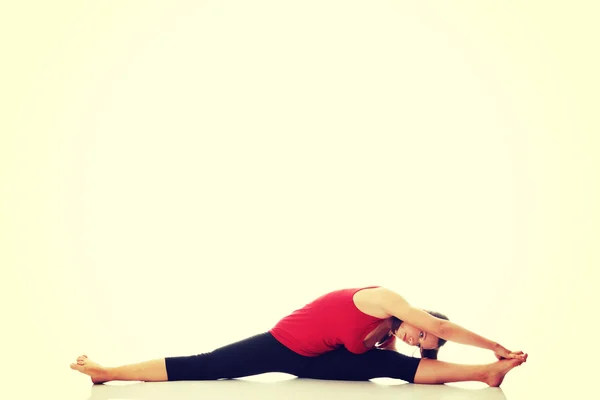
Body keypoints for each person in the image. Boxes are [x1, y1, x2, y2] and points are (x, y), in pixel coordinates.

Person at [70, 285, 527, 387]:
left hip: (313, 361)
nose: (418, 337)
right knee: (205, 365)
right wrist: (496, 345)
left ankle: (485, 375)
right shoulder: (386, 299)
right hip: (280, 345)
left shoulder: (387, 334)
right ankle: (107, 372)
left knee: (394, 367)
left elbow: (421, 350)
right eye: (419, 332)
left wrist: (418, 350)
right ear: (421, 317)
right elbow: (440, 328)